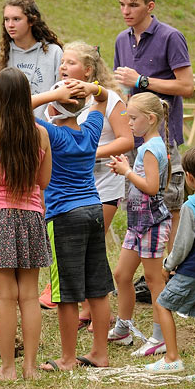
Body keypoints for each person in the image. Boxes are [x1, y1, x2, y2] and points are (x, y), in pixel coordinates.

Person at [41, 42, 134, 326]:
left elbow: (127, 140)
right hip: (69, 186)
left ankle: (92, 309)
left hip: (102, 184)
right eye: (62, 62)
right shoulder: (61, 98)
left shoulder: (110, 99)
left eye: (71, 62)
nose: (63, 67)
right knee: (81, 252)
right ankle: (87, 308)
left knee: (91, 251)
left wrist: (88, 152)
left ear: (88, 70)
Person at [0, 67, 52, 380]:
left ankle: (7, 368)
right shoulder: (41, 134)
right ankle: (30, 367)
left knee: (5, 297)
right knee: (29, 296)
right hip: (31, 217)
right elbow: (43, 181)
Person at [31, 79, 114, 372]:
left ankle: (67, 358)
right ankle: (100, 353)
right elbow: (104, 99)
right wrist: (92, 89)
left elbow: (17, 110)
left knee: (66, 292)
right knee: (97, 288)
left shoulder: (51, 133)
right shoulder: (91, 131)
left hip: (64, 216)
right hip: (94, 210)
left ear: (55, 107)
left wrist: (53, 94)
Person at [112, 0, 194, 246]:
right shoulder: (121, 40)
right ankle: (149, 266)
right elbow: (123, 88)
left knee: (168, 206)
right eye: (122, 4)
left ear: (150, 6)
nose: (126, 11)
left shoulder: (171, 37)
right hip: (133, 137)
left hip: (162, 138)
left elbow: (186, 86)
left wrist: (142, 80)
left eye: (133, 5)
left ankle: (173, 266)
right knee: (136, 204)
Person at [145, 146, 195, 381]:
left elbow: (182, 245)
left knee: (162, 304)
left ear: (189, 177)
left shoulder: (191, 207)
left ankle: (172, 358)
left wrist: (167, 265)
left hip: (193, 270)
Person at [107, 92, 172, 357]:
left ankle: (160, 337)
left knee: (154, 281)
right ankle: (123, 328)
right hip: (138, 224)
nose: (129, 123)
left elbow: (152, 186)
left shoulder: (151, 149)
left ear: (151, 118)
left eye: (133, 118)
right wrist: (127, 168)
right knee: (122, 275)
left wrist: (127, 172)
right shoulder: (148, 146)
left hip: (152, 224)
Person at [0, 0, 63, 132]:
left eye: (16, 19)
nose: (10, 25)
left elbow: (62, 97)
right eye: (6, 19)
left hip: (44, 134)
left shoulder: (53, 53)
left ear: (31, 20)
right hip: (8, 135)